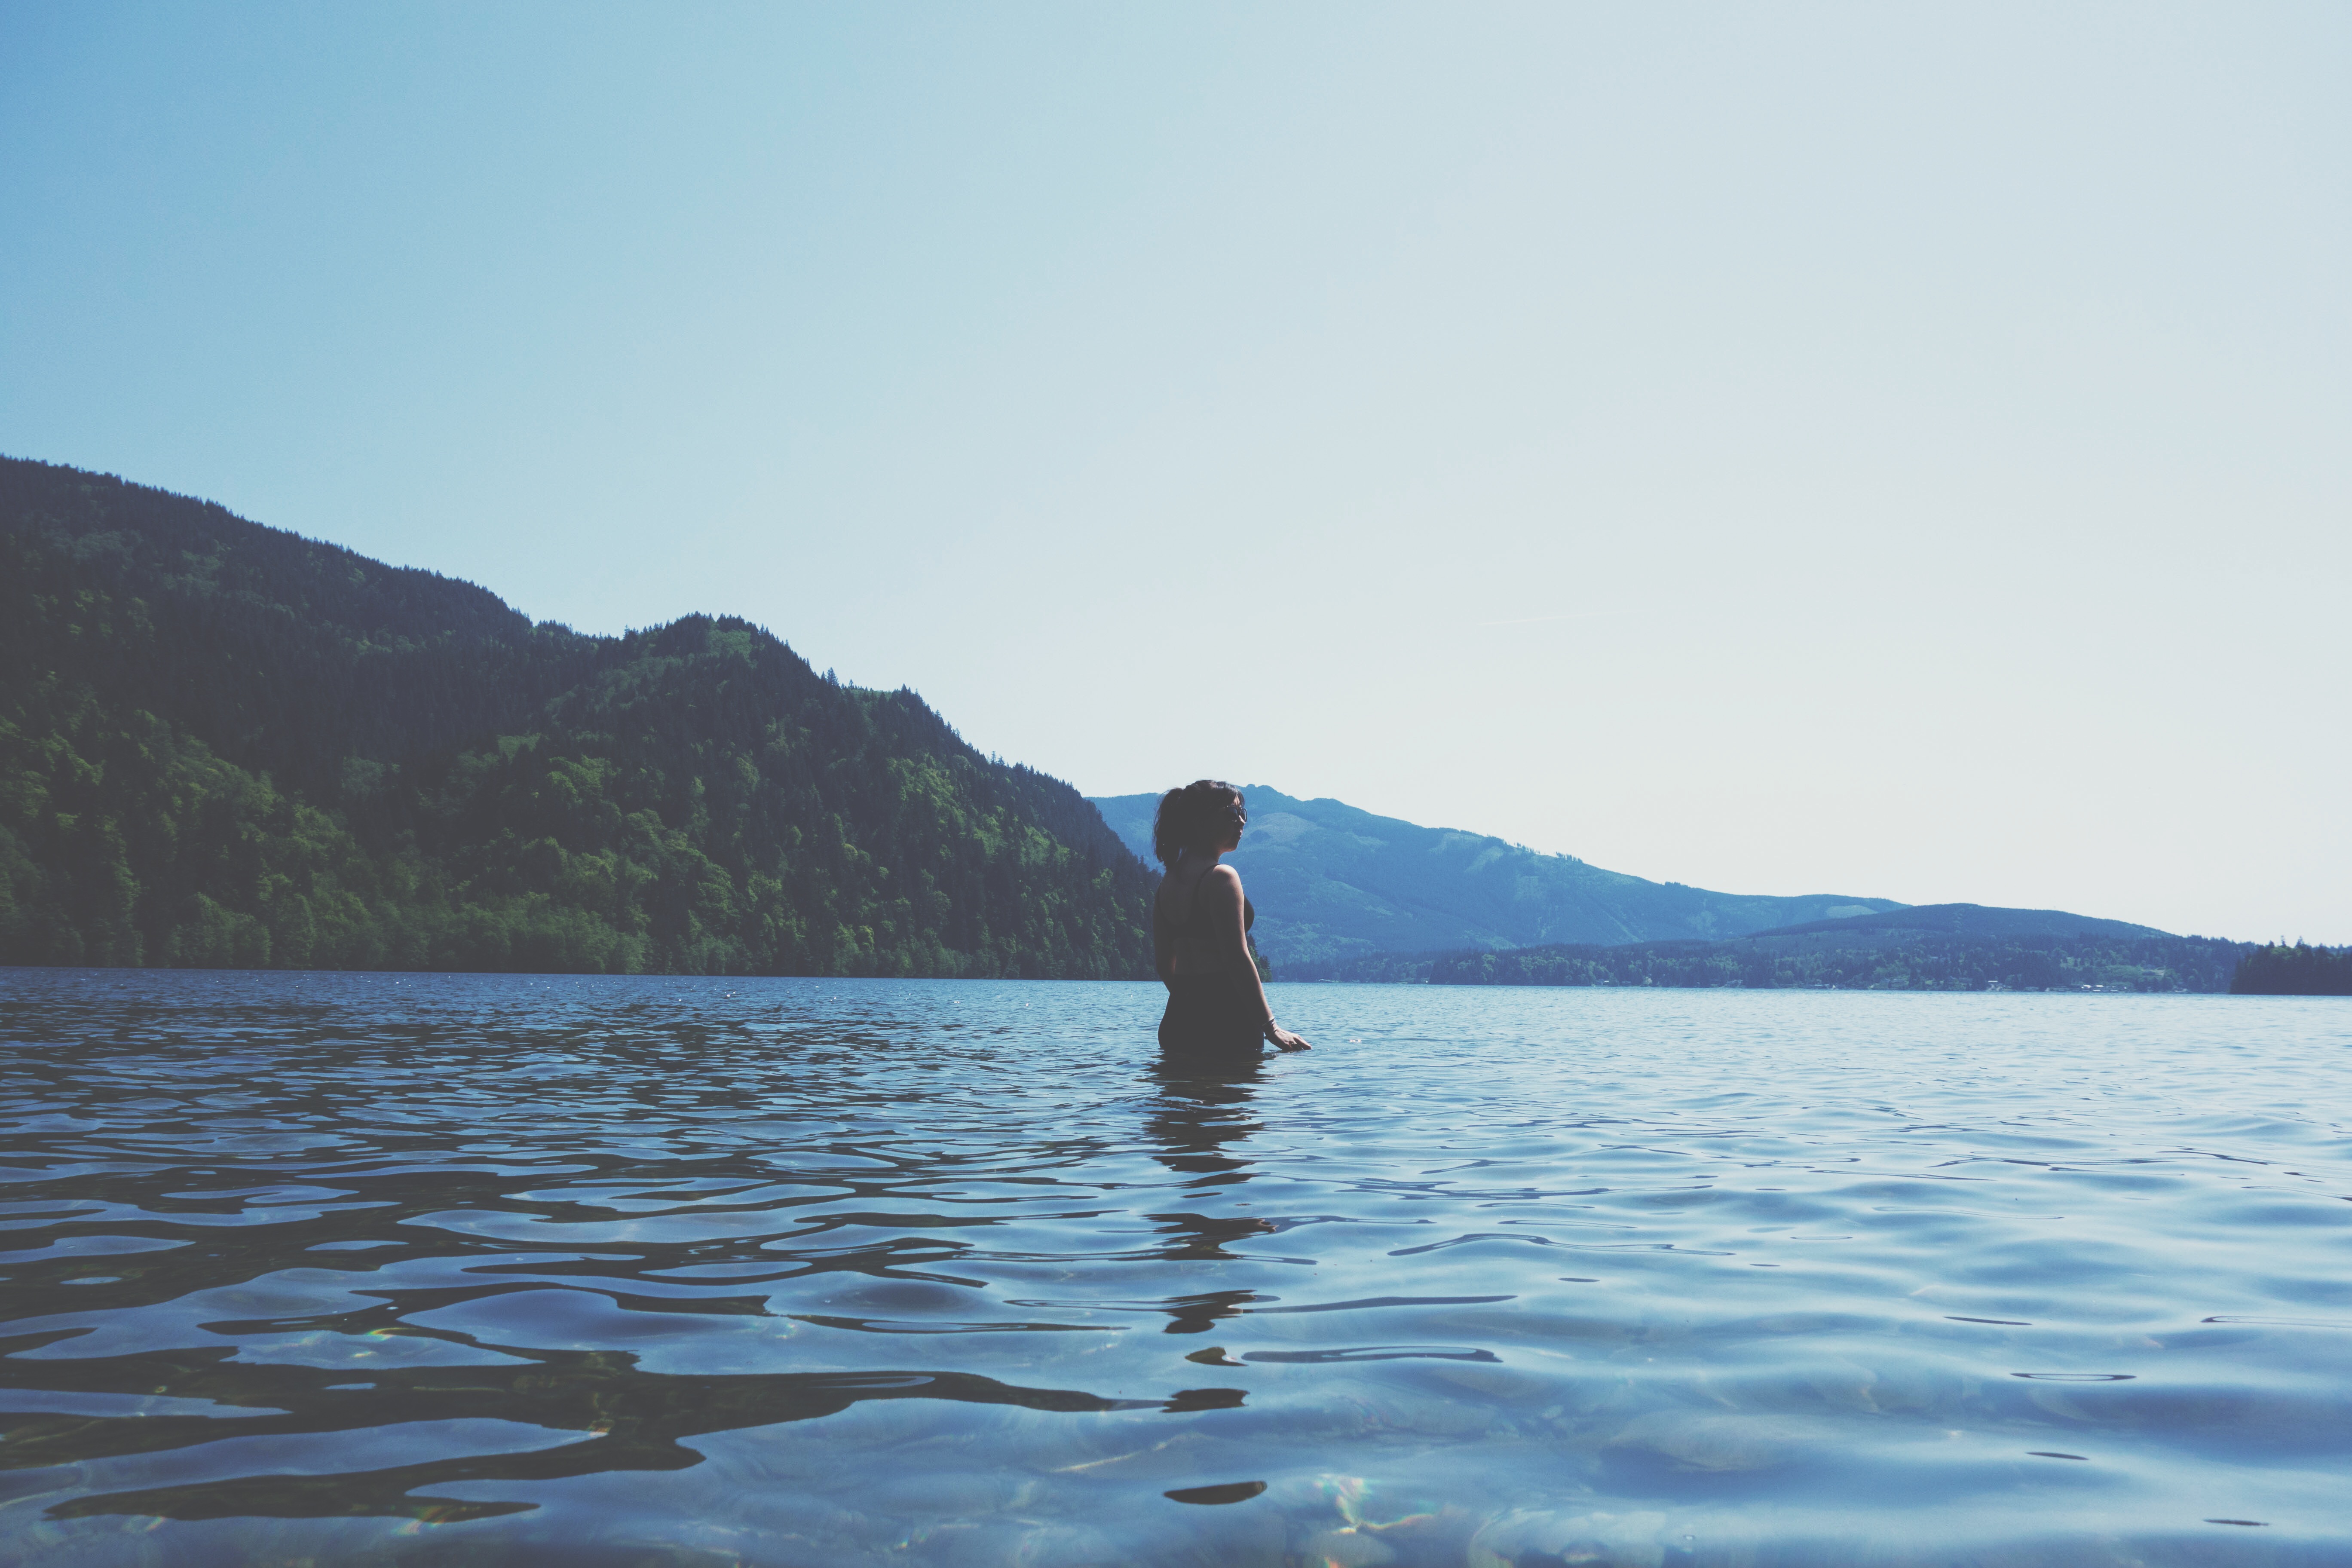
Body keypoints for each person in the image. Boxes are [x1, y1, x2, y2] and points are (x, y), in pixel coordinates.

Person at [1151, 780, 1311, 1060]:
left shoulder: (1167, 885)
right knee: (1232, 1101)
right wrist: (1271, 1028)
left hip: (1178, 1022)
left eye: (1242, 813)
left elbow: (1164, 965)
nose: (1241, 821)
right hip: (1228, 1022)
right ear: (1199, 821)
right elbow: (1237, 957)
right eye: (1230, 813)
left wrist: (1192, 1006)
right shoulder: (1222, 878)